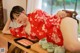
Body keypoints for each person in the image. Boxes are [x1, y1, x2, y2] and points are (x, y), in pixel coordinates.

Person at [2, 6, 80, 53]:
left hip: (62, 24)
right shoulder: (22, 30)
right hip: (60, 42)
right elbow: (4, 31)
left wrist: (61, 12)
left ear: (24, 12)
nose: (17, 20)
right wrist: (10, 18)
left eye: (18, 16)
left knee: (72, 47)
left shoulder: (35, 12)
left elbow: (51, 17)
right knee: (70, 47)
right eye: (15, 19)